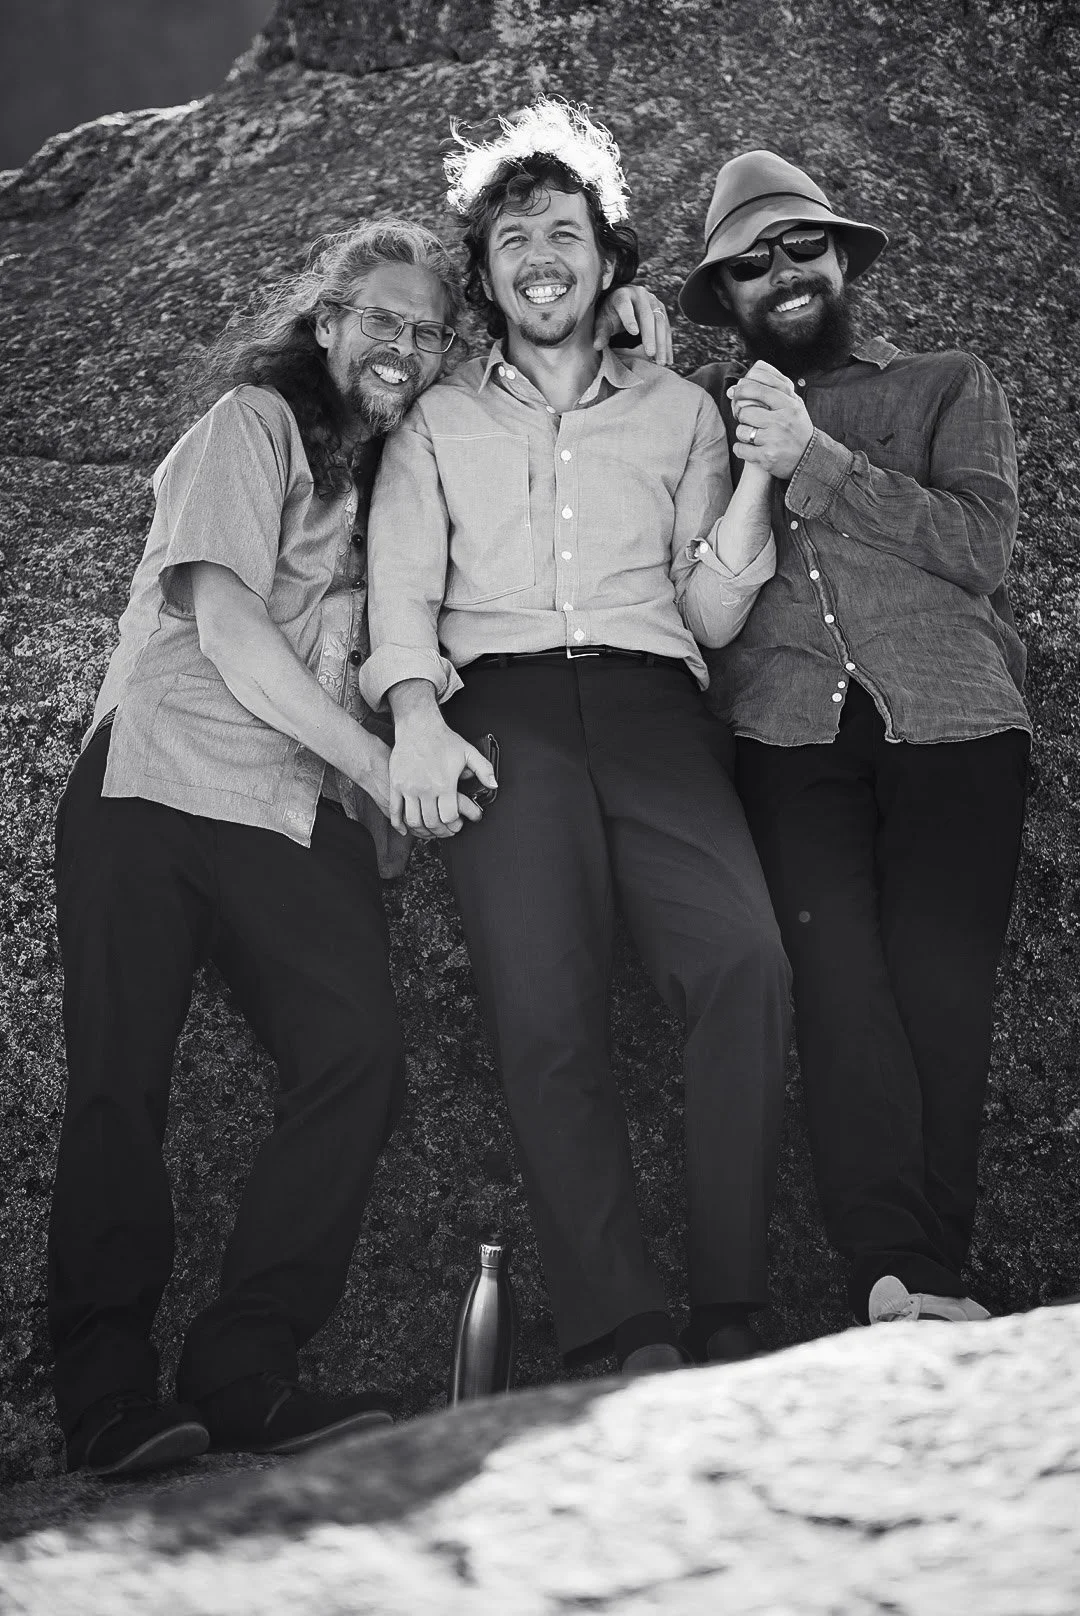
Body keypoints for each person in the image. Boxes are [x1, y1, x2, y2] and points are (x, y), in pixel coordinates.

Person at [49, 213, 675, 1479]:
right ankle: (104, 1394)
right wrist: (379, 765)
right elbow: (223, 622)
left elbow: (534, 369)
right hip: (158, 788)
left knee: (358, 1058)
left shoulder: (396, 473)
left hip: (292, 813)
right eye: (376, 317)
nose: (401, 343)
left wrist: (623, 327)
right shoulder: (250, 427)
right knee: (122, 1082)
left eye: (424, 328)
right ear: (325, 323)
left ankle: (243, 1363)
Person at [362, 100, 792, 1377]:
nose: (540, 253)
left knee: (745, 966)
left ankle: (732, 1305)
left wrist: (761, 480)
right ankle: (623, 1322)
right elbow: (401, 587)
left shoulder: (680, 413)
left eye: (564, 230)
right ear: (487, 275)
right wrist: (414, 719)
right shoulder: (437, 418)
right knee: (544, 1011)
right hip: (501, 713)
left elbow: (712, 607)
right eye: (512, 238)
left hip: (659, 708)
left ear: (609, 259)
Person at [678, 150, 1031, 1327]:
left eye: (802, 248)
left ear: (842, 260)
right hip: (789, 733)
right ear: (723, 296)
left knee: (942, 992)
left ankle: (941, 1271)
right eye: (749, 264)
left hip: (954, 717)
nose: (782, 272)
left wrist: (818, 462)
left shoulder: (948, 381)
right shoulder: (701, 427)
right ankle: (889, 1272)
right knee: (835, 989)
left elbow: (982, 547)